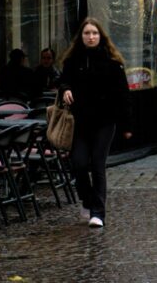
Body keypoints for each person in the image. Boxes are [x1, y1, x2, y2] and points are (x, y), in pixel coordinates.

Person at [58, 18, 132, 228]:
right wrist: (66, 89)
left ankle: (98, 213)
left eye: (94, 33)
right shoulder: (72, 61)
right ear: (81, 37)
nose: (91, 37)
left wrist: (127, 126)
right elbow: (64, 81)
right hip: (80, 121)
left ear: (101, 36)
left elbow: (123, 95)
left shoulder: (112, 62)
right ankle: (88, 200)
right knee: (79, 163)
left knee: (98, 165)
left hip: (105, 121)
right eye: (87, 33)